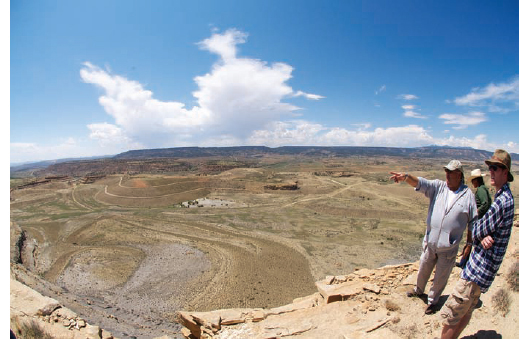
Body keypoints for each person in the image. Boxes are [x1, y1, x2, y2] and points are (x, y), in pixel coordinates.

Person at [440, 149, 515, 339]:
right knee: (466, 311)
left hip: (477, 270)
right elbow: (483, 230)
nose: (491, 171)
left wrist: (481, 233)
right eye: (490, 167)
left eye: (496, 168)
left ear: (505, 173)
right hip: (484, 272)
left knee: (452, 315)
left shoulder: (502, 202)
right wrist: (483, 235)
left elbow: (477, 227)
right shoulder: (503, 197)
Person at [390, 160, 477, 315]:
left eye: (451, 173)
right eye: (447, 172)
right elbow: (421, 183)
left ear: (459, 175)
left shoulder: (467, 195)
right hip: (431, 241)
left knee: (441, 276)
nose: (447, 175)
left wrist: (469, 243)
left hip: (448, 247)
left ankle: (433, 301)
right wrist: (406, 177)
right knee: (424, 267)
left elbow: (472, 221)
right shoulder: (439, 187)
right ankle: (418, 290)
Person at [456, 169, 492, 268]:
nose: (472, 183)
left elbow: (485, 203)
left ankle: (464, 263)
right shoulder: (482, 188)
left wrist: (476, 213)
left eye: (473, 180)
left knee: (470, 241)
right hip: (480, 220)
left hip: (479, 220)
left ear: (477, 180)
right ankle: (465, 262)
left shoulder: (481, 190)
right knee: (472, 241)